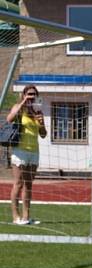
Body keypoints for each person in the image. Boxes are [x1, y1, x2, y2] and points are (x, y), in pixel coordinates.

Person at [7, 85, 47, 225]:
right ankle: (15, 216)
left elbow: (43, 135)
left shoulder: (37, 112)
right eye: (29, 94)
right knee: (18, 184)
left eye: (34, 94)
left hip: (34, 151)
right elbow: (9, 118)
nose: (32, 96)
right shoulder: (18, 107)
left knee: (29, 185)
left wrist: (41, 124)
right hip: (20, 151)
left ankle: (26, 217)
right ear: (24, 94)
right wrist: (23, 102)